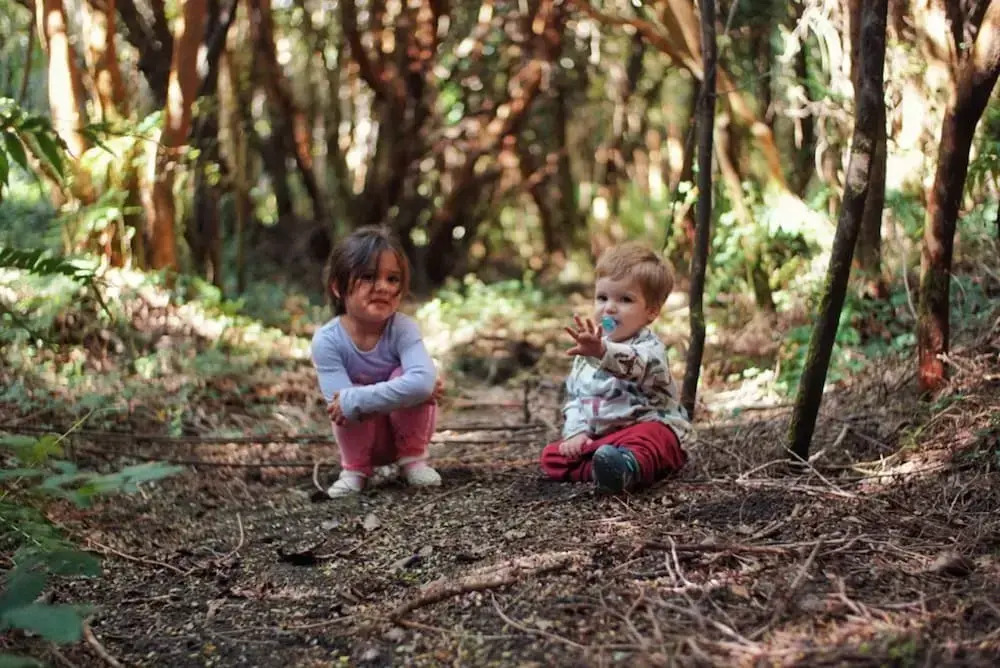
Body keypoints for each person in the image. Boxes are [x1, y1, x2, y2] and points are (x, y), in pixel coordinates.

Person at [540, 241, 692, 494]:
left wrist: (602, 352)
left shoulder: (650, 348)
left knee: (654, 436)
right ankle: (604, 471)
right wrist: (576, 433)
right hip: (603, 440)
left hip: (644, 429)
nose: (609, 307)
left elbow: (635, 364)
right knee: (552, 456)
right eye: (602, 298)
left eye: (625, 299)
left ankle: (628, 467)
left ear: (651, 311)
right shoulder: (587, 353)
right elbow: (575, 400)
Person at [311, 226, 443, 497]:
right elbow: (338, 407)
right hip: (361, 442)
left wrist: (356, 399)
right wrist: (409, 390)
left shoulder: (404, 329)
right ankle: (355, 471)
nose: (383, 287)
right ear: (338, 287)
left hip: (407, 436)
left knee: (398, 375)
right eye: (368, 277)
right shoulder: (328, 341)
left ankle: (413, 462)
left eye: (392, 279)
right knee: (357, 394)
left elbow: (422, 382)